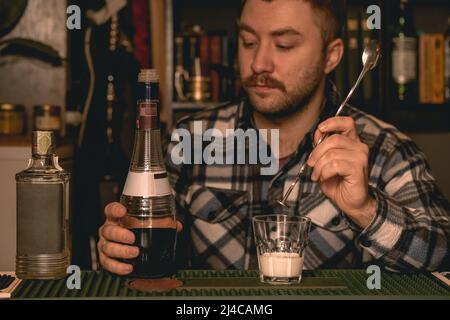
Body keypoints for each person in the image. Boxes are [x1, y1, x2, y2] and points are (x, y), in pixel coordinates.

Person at [97, 0, 450, 275]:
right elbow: (140, 243)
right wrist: (120, 247)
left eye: (283, 45)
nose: (258, 64)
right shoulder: (190, 141)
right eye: (248, 41)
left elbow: (443, 254)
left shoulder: (386, 151)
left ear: (332, 55)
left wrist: (366, 209)